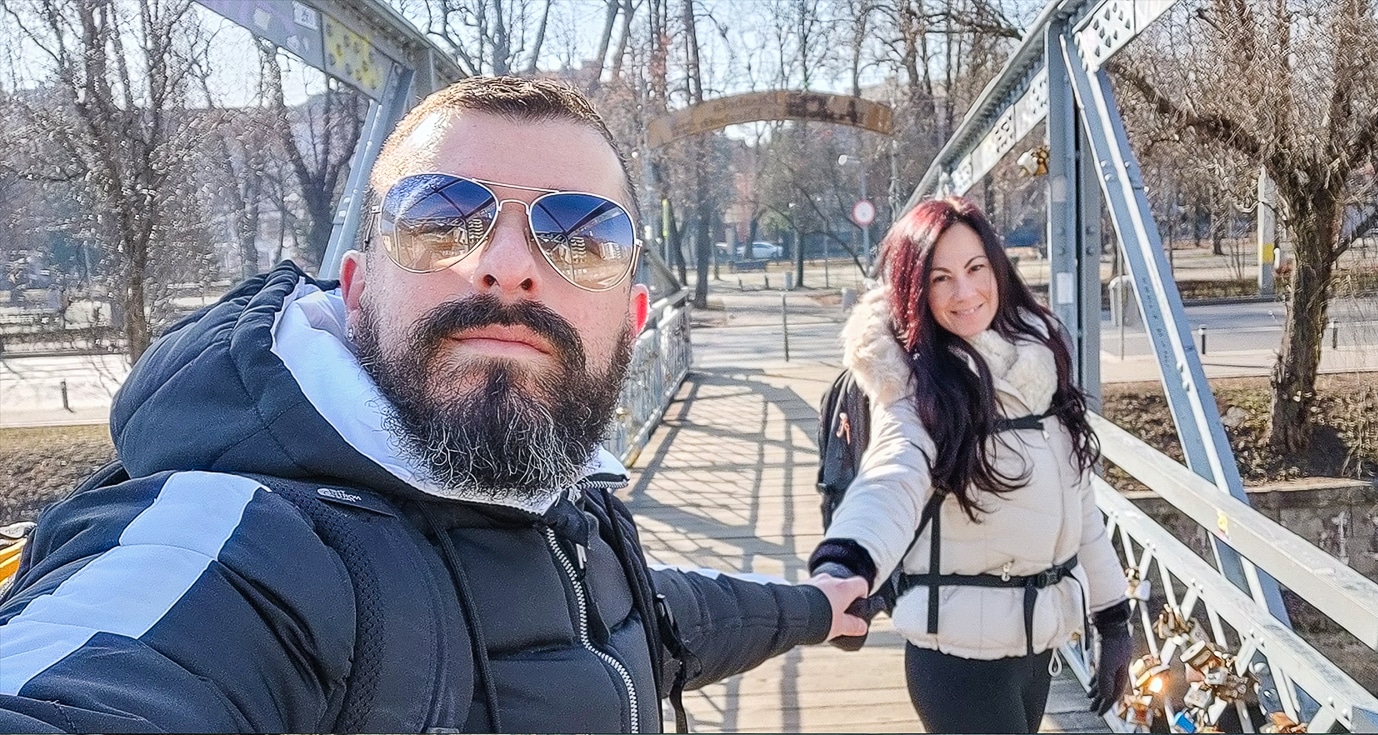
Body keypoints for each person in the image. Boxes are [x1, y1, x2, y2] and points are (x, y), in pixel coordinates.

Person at [0, 76, 866, 733]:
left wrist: (820, 606)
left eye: (583, 234)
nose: (509, 266)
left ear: (632, 321)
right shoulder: (239, 542)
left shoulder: (570, 517)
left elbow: (655, 615)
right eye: (442, 218)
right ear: (357, 286)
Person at [808, 197, 1132, 733]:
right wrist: (847, 565)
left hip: (1034, 652)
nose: (965, 292)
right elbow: (890, 479)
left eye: (975, 268)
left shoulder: (1038, 369)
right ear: (917, 290)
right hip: (956, 662)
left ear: (997, 268)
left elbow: (1079, 507)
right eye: (941, 278)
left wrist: (1113, 618)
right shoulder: (917, 391)